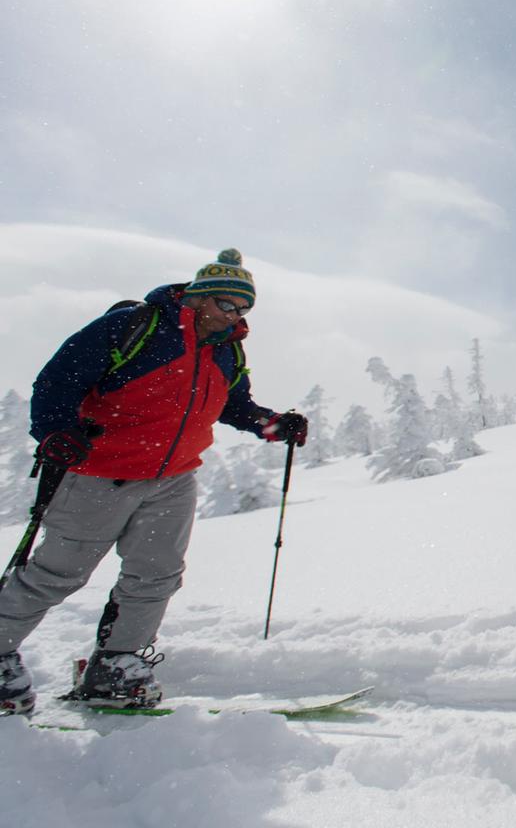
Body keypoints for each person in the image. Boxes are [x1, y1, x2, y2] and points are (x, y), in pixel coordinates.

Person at [0, 249, 307, 714]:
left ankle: (114, 666)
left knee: (156, 575)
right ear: (200, 296)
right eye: (228, 304)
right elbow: (57, 381)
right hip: (101, 473)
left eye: (243, 309)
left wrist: (273, 424)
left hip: (173, 480)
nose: (235, 315)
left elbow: (232, 405)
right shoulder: (137, 328)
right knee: (55, 575)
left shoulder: (227, 349)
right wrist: (55, 431)